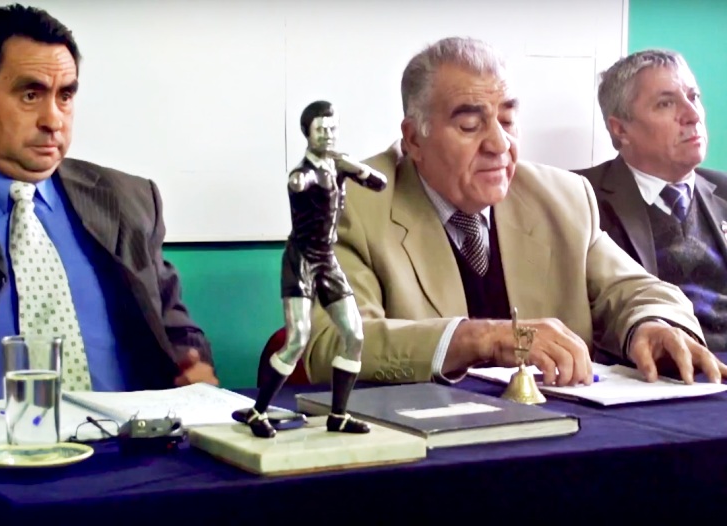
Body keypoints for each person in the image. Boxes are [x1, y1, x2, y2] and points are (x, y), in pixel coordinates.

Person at [302, 37, 727, 388]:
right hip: (424, 440)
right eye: (470, 126)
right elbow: (331, 344)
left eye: (507, 121)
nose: (499, 145)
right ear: (414, 140)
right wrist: (484, 338)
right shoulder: (352, 204)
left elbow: (638, 291)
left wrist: (650, 325)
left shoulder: (561, 197)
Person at [0, 4, 217, 404]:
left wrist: (192, 364)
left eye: (64, 96)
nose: (53, 120)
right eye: (30, 95)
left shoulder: (128, 200)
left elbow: (174, 327)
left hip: (125, 436)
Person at [234, 101, 387, 438]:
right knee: (298, 338)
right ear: (307, 132)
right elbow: (298, 184)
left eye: (332, 128)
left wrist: (352, 166)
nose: (327, 135)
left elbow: (380, 184)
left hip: (327, 259)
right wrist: (306, 178)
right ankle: (259, 412)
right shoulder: (303, 173)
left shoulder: (339, 166)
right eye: (320, 129)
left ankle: (339, 415)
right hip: (300, 258)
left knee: (354, 335)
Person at [573, 49, 727, 354]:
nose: (693, 115)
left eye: (693, 97)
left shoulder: (724, 190)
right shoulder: (578, 197)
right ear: (620, 129)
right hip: (660, 366)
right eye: (666, 103)